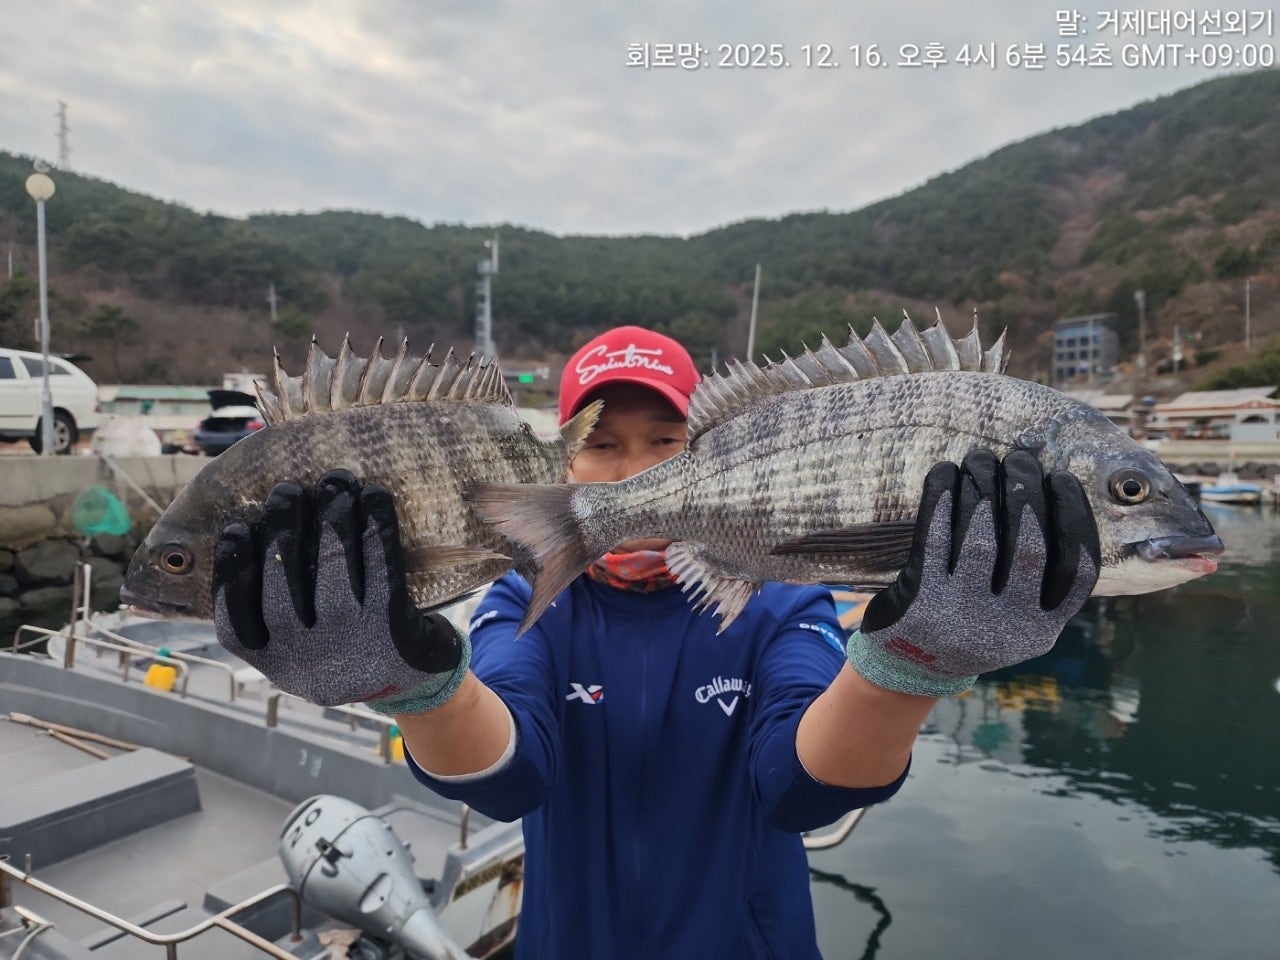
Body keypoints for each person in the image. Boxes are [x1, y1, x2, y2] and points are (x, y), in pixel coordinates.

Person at [212, 325, 1100, 959]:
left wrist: (911, 664)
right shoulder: (525, 599)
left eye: (666, 440)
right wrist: (412, 684)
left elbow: (800, 790)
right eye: (601, 443)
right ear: (563, 461)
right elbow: (511, 777)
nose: (633, 469)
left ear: (709, 449)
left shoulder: (778, 598)